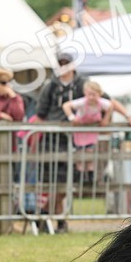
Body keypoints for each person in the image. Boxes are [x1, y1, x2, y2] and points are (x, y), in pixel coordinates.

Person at [34, 51, 89, 232]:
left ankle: (49, 216)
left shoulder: (83, 84)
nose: (63, 66)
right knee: (49, 181)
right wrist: (36, 138)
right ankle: (55, 220)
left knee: (65, 183)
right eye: (60, 63)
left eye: (66, 63)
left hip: (73, 141)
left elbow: (103, 100)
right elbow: (40, 114)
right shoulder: (50, 86)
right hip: (51, 139)